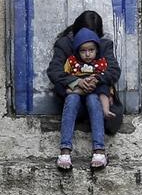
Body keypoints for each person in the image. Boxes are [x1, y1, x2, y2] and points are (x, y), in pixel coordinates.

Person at [47, 11, 120, 171]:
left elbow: (113, 70)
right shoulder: (64, 45)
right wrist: (77, 82)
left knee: (93, 99)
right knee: (73, 98)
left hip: (97, 99)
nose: (88, 53)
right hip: (73, 101)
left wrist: (96, 80)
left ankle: (99, 151)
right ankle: (65, 151)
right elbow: (54, 71)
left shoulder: (104, 45)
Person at [63, 27, 116, 118]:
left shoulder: (101, 62)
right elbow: (64, 76)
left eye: (91, 50)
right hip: (79, 86)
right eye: (83, 51)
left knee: (104, 90)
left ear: (97, 50)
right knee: (70, 93)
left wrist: (110, 93)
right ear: (77, 51)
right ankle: (76, 92)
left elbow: (108, 79)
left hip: (96, 86)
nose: (87, 54)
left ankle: (106, 110)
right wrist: (76, 82)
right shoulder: (72, 61)